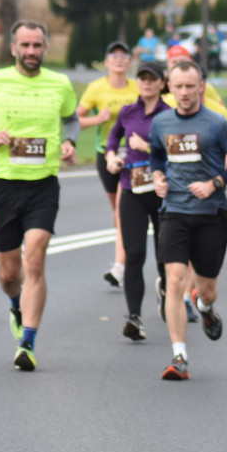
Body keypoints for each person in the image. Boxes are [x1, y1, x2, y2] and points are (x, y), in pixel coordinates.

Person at [0, 20, 80, 371]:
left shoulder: (60, 83)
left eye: (38, 45)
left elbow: (72, 120)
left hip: (42, 185)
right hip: (2, 185)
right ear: (13, 48)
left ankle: (27, 341)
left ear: (46, 48)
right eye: (25, 46)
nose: (32, 52)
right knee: (9, 274)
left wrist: (69, 141)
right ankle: (15, 304)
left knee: (35, 260)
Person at [149, 59, 227, 380]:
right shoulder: (161, 123)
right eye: (179, 86)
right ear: (169, 88)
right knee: (173, 281)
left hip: (211, 216)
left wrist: (215, 183)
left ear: (201, 86)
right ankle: (179, 356)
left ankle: (204, 307)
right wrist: (158, 177)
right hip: (173, 212)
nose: (185, 92)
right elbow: (156, 156)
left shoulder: (218, 124)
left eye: (191, 86)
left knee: (208, 289)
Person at [104, 61, 173, 341]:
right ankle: (134, 318)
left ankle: (167, 293)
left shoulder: (170, 114)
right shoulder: (128, 111)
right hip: (131, 188)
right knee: (134, 254)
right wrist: (112, 158)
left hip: (160, 190)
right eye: (142, 78)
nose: (146, 82)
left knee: (163, 255)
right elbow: (112, 138)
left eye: (151, 78)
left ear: (161, 83)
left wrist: (145, 147)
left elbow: (174, 150)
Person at [77, 41, 139, 289]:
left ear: (130, 61)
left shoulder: (137, 88)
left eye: (124, 56)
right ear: (106, 62)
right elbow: (75, 120)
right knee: (118, 212)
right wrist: (98, 119)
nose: (120, 60)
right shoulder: (95, 89)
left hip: (134, 157)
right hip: (106, 155)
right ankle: (127, 246)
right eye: (114, 55)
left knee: (121, 211)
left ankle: (119, 266)